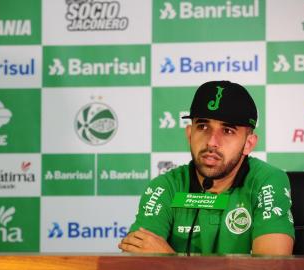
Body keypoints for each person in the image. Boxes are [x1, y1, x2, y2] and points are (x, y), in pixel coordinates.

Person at [118, 81, 294, 255]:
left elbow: (272, 266)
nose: (211, 142)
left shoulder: (267, 181)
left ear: (248, 144)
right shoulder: (166, 187)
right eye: (203, 127)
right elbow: (136, 260)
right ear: (189, 134)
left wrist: (172, 261)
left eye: (227, 131)